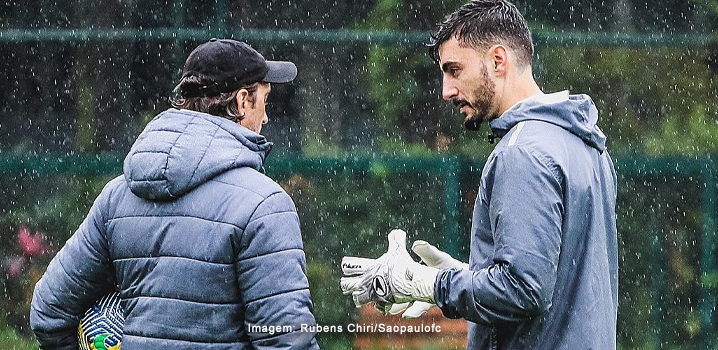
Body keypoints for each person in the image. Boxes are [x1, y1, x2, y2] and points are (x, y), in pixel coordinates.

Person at [340, 1, 618, 349]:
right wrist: (465, 275)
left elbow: (524, 290)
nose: (446, 91)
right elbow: (557, 279)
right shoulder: (586, 145)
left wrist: (432, 283)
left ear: (498, 60)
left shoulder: (522, 153)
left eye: (454, 70)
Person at [31, 38, 319, 349]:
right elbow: (288, 341)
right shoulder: (264, 205)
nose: (265, 118)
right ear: (241, 101)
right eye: (264, 100)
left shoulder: (116, 197)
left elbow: (48, 312)